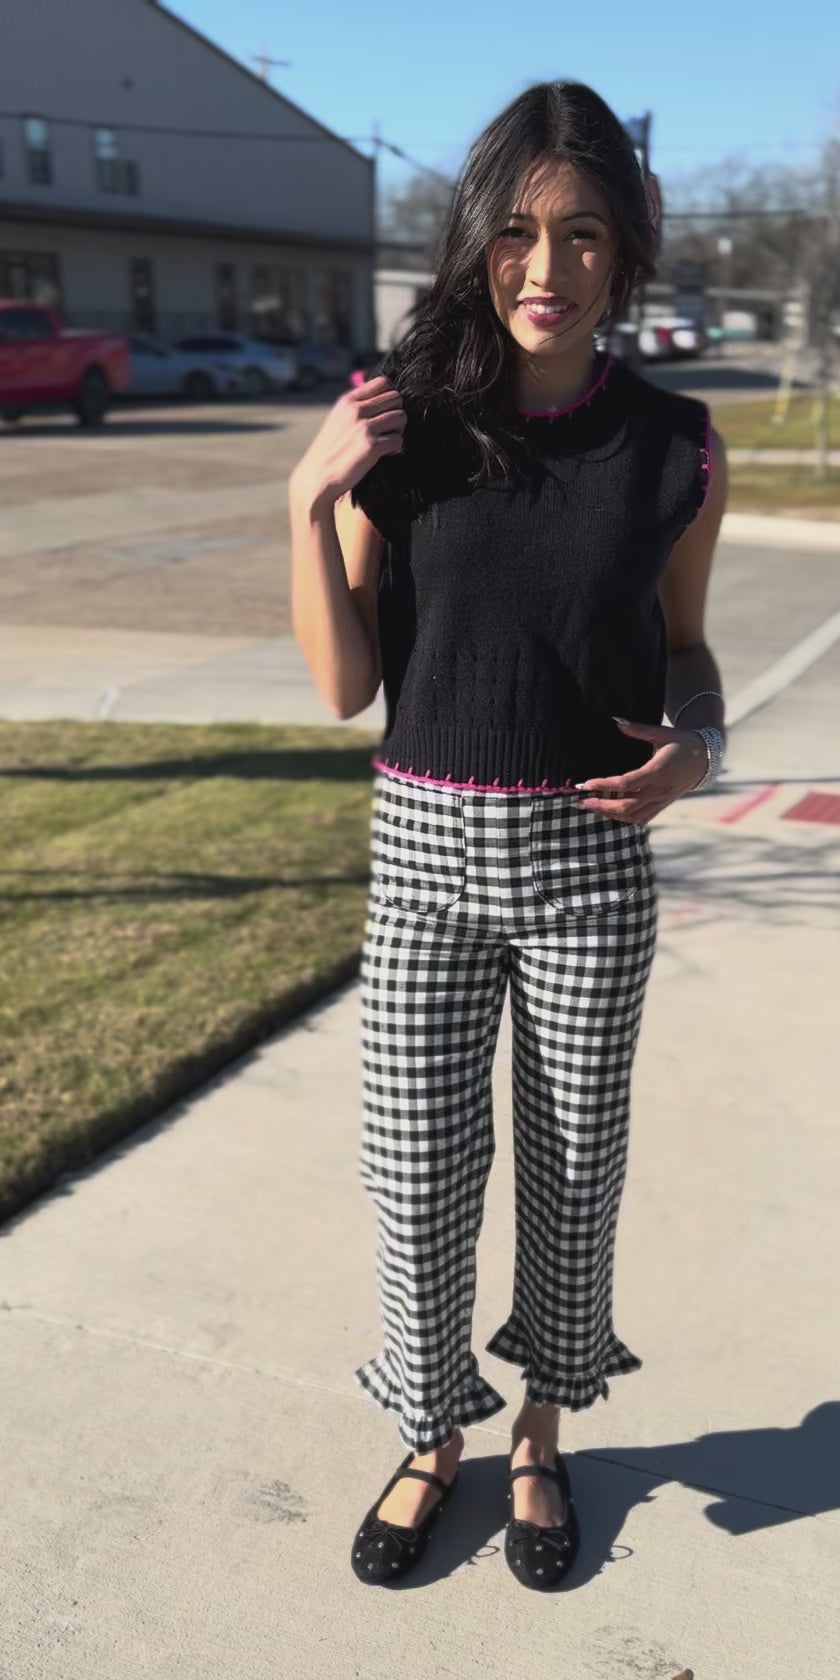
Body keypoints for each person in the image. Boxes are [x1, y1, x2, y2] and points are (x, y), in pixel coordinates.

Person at [288, 80, 728, 1590]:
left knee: (571, 1164)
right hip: (422, 858)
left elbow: (686, 651)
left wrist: (700, 749)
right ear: (480, 246)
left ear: (628, 247)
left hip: (593, 867)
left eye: (584, 234)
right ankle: (433, 1431)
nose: (550, 269)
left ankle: (541, 1427)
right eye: (520, 235)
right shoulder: (408, 429)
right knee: (414, 1168)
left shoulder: (676, 446)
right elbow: (349, 684)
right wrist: (305, 505)